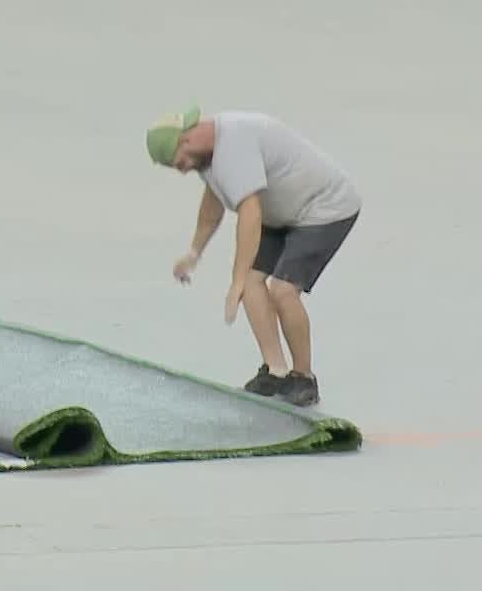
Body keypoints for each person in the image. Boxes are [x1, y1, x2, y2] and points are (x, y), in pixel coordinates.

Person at [144, 103, 361, 407]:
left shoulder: (234, 144)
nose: (183, 171)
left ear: (187, 140)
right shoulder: (208, 156)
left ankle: (304, 378)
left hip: (324, 208)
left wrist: (235, 282)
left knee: (283, 291)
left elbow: (250, 213)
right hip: (283, 213)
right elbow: (214, 202)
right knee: (251, 282)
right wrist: (195, 252)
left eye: (179, 164)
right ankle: (277, 371)